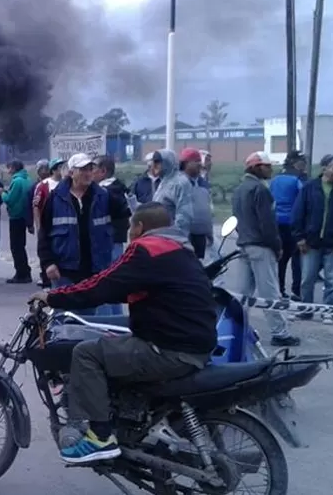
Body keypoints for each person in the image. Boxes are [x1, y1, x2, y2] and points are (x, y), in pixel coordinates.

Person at [31, 202, 216, 464]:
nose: (129, 233)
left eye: (131, 227)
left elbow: (103, 285)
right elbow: (120, 287)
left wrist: (53, 297)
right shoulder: (181, 249)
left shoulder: (146, 249)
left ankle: (100, 437)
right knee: (113, 342)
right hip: (194, 343)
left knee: (86, 353)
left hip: (169, 349)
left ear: (139, 227)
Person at [37, 153, 131, 316]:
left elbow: (125, 215)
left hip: (95, 272)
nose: (88, 173)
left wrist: (109, 239)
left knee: (89, 321)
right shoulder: (56, 198)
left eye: (90, 169)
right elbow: (44, 233)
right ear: (71, 173)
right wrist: (48, 263)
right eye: (82, 170)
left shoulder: (104, 196)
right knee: (62, 320)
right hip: (64, 272)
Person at [232, 151, 299, 347]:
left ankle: (235, 328)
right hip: (261, 246)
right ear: (256, 167)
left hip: (244, 244)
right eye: (267, 166)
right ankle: (280, 332)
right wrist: (277, 246)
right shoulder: (260, 190)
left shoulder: (239, 189)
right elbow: (267, 224)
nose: (271, 169)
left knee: (243, 294)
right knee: (270, 293)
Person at [292, 154, 333, 318]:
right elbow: (298, 214)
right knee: (307, 279)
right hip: (310, 242)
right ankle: (306, 311)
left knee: (332, 281)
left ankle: (328, 312)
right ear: (324, 169)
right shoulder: (309, 188)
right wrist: (299, 238)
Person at [91, 155, 130, 316]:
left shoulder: (107, 192)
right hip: (114, 242)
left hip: (109, 243)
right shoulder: (118, 188)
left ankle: (106, 323)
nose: (90, 173)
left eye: (92, 168)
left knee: (104, 284)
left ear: (103, 171)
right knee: (112, 284)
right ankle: (115, 319)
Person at [270, 150, 307, 299]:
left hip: (277, 222)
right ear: (295, 164)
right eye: (302, 163)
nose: (304, 167)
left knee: (281, 259)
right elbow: (304, 201)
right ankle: (296, 290)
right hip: (294, 223)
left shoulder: (275, 179)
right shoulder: (298, 180)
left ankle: (279, 289)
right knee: (297, 259)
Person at [33, 158, 65, 288]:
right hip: (47, 225)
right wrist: (38, 226)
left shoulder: (67, 184)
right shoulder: (43, 185)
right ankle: (46, 281)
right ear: (55, 169)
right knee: (46, 252)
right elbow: (36, 206)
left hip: (62, 227)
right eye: (61, 167)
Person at [2, 159, 33, 284]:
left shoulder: (17, 181)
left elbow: (10, 199)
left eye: (9, 167)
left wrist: (2, 193)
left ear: (14, 168)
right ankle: (25, 271)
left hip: (15, 216)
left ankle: (21, 273)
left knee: (15, 247)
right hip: (24, 216)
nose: (8, 170)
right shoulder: (28, 180)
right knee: (21, 245)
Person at [179, 148, 214, 258]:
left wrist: (209, 232)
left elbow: (206, 208)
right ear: (186, 163)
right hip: (184, 235)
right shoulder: (178, 183)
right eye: (196, 162)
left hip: (200, 235)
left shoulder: (202, 182)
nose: (200, 165)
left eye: (200, 161)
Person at [151, 149, 194, 236]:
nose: (154, 165)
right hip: (160, 236)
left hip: (172, 239)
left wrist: (177, 238)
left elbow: (184, 215)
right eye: (153, 161)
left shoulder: (180, 182)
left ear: (168, 162)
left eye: (158, 162)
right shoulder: (164, 181)